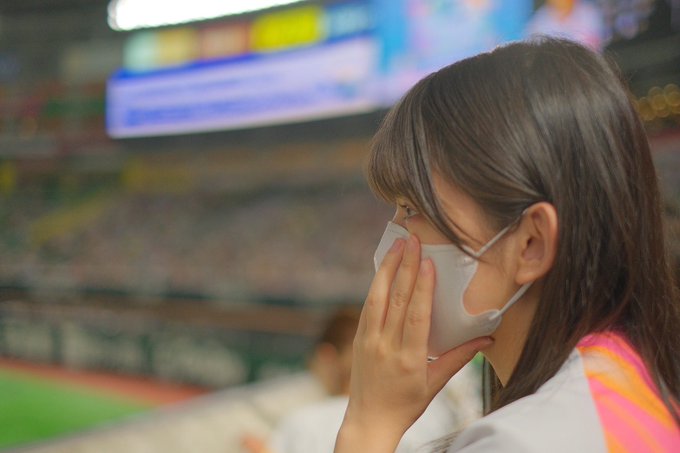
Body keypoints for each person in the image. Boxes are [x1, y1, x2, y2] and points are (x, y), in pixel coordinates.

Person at [334, 37, 680, 453]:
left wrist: (368, 425)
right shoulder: (628, 381)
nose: (392, 242)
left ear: (531, 243)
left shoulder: (522, 441)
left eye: (412, 209)